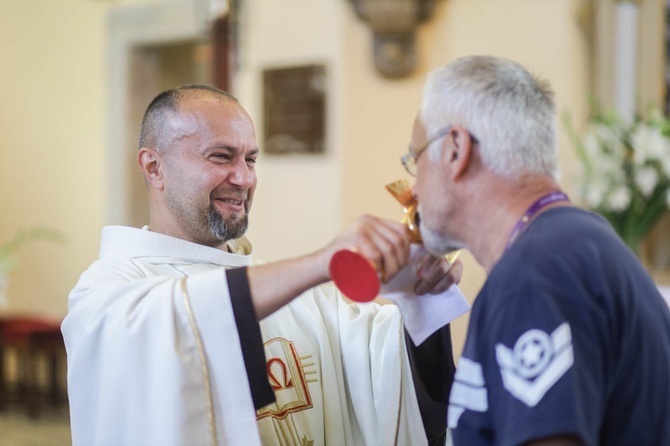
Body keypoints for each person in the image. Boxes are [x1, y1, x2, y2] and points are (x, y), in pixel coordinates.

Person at [62, 85, 463, 446]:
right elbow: (172, 322)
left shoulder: (299, 295)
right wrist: (325, 262)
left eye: (251, 159)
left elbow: (387, 373)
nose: (244, 178)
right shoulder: (108, 291)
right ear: (154, 167)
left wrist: (420, 295)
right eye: (221, 157)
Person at [406, 55, 670, 445]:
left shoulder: (535, 274)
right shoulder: (575, 241)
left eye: (416, 160)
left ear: (456, 150)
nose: (413, 190)